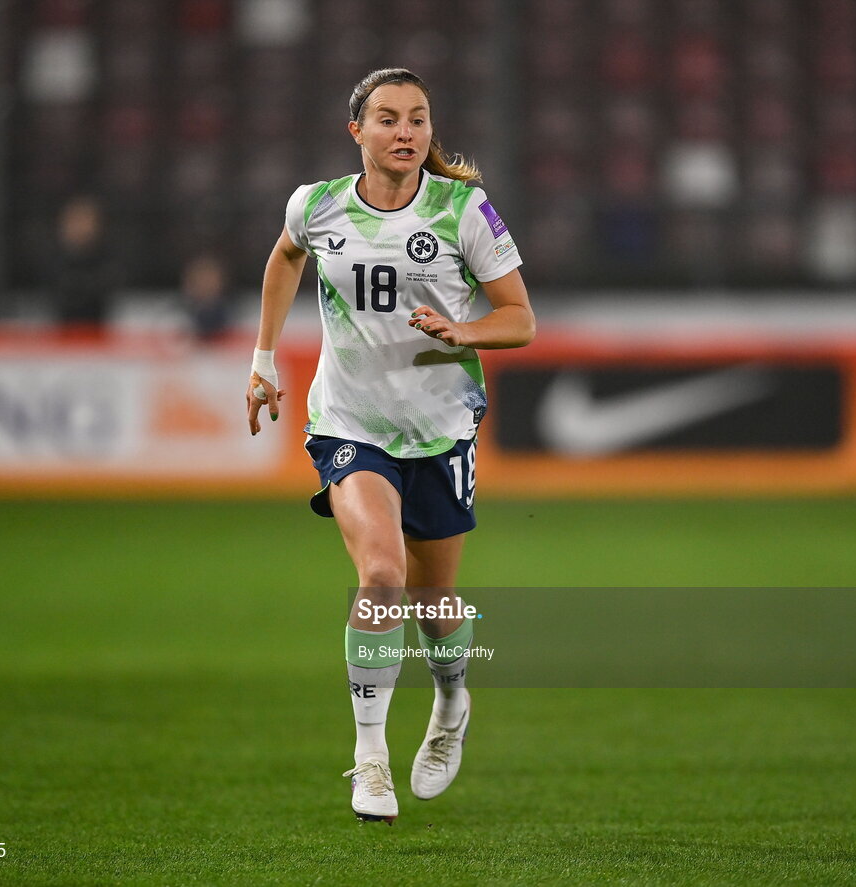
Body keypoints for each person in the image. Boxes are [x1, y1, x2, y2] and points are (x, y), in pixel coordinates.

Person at [246, 68, 534, 824]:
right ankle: (370, 758)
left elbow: (520, 318)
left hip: (439, 428)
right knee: (381, 576)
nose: (405, 131)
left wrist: (463, 330)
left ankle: (449, 704)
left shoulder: (462, 209)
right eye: (388, 118)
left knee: (435, 601)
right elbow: (284, 257)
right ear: (358, 132)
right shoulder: (317, 205)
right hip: (349, 423)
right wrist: (263, 359)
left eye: (418, 118)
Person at [50, 194, 119, 331]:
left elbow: (107, 287)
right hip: (61, 333)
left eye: (86, 220)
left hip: (98, 333)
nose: (80, 226)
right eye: (75, 220)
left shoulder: (108, 258)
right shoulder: (54, 258)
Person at [180, 253, 234, 341]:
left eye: (210, 279)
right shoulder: (173, 320)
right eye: (199, 279)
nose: (205, 285)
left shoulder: (238, 317)